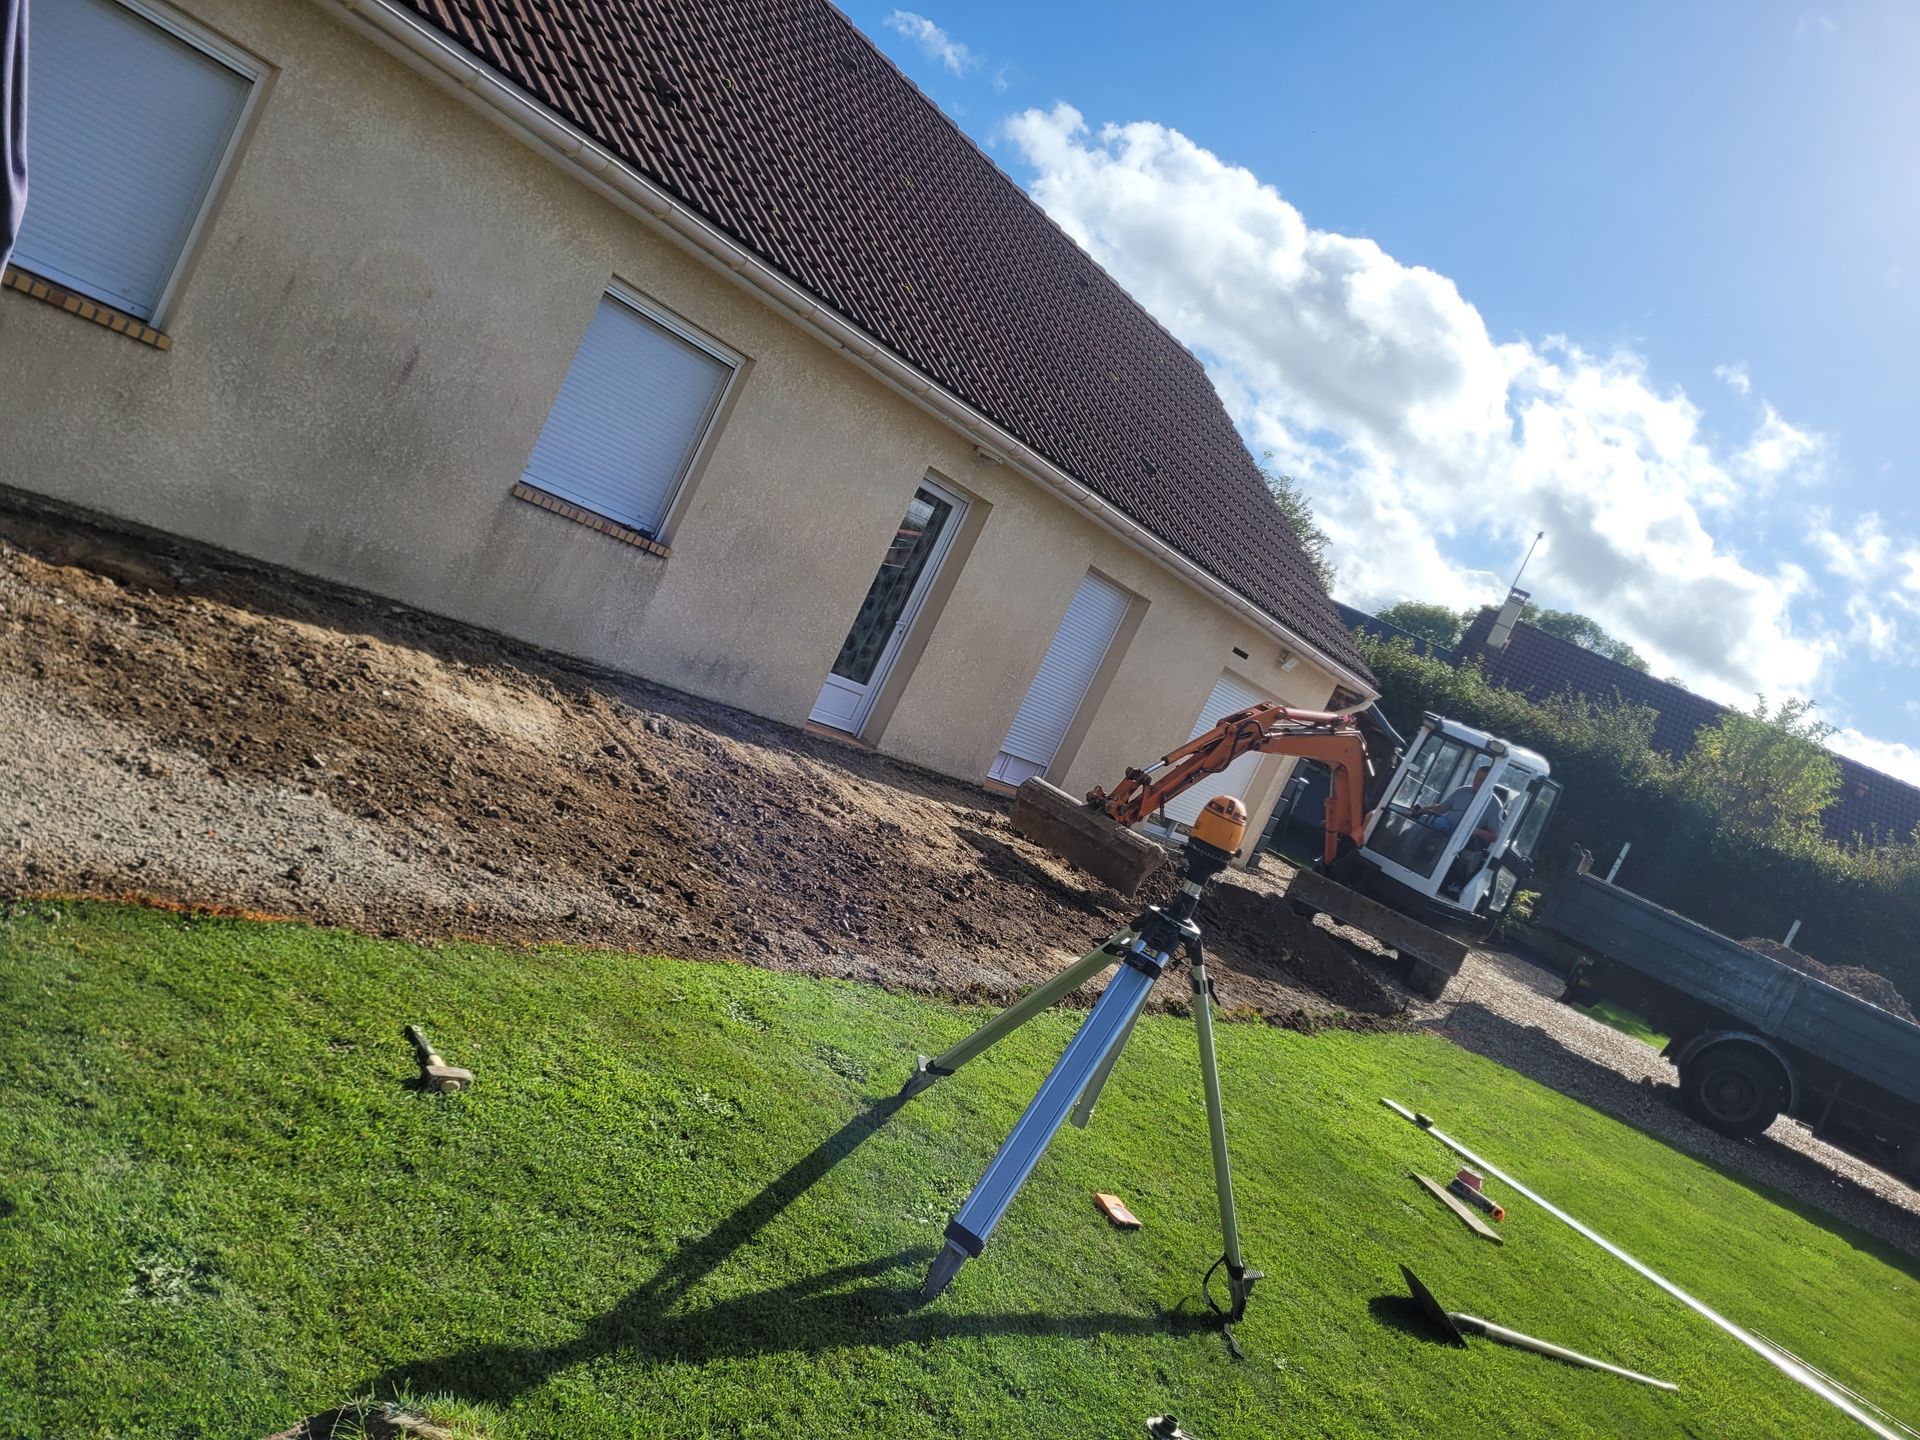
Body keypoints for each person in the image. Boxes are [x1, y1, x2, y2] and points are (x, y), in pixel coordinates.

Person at [1413, 763, 1505, 846]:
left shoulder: (1495, 805)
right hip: (1445, 824)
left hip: (1463, 836)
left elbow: (1494, 836)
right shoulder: (1462, 791)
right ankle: (1406, 849)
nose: (1476, 781)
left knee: (1436, 827)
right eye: (1476, 777)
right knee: (1425, 819)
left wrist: (1475, 830)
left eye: (1481, 780)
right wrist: (1423, 809)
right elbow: (1441, 808)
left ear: (1490, 782)